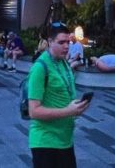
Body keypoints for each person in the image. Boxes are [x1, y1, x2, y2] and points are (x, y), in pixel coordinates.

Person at [27, 22, 90, 168]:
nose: (66, 46)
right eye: (61, 42)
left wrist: (77, 107)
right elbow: (34, 111)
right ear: (49, 42)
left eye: (68, 42)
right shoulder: (40, 68)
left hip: (65, 141)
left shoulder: (64, 63)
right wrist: (68, 111)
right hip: (46, 143)